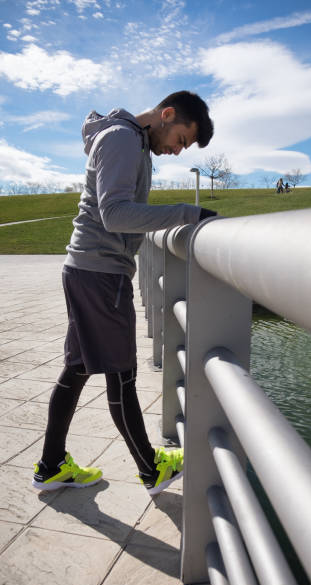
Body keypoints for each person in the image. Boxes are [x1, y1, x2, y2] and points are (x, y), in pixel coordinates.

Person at [32, 91, 216, 496]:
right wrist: (189, 212)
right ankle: (151, 470)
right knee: (122, 375)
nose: (176, 151)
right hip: (101, 273)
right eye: (181, 140)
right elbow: (115, 214)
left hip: (89, 268)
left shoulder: (127, 140)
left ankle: (50, 465)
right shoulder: (121, 139)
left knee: (78, 367)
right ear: (166, 115)